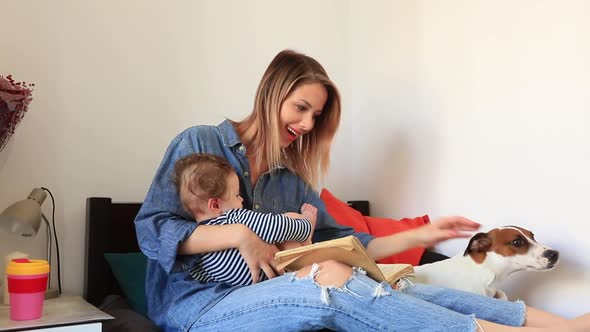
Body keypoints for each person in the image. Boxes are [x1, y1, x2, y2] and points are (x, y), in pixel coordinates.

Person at [135, 49, 590, 331]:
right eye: (301, 108)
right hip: (196, 307)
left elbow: (350, 244)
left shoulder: (293, 182)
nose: (307, 124)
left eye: (317, 116)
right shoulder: (200, 144)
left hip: (268, 292)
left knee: (391, 284)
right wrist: (238, 234)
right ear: (271, 94)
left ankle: (561, 326)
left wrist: (421, 236)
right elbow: (152, 229)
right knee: (331, 281)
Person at [172, 152, 317, 286]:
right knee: (289, 218)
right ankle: (308, 244)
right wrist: (306, 223)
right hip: (275, 278)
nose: (241, 199)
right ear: (216, 204)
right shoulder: (235, 218)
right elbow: (279, 227)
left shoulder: (197, 248)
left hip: (244, 291)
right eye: (236, 195)